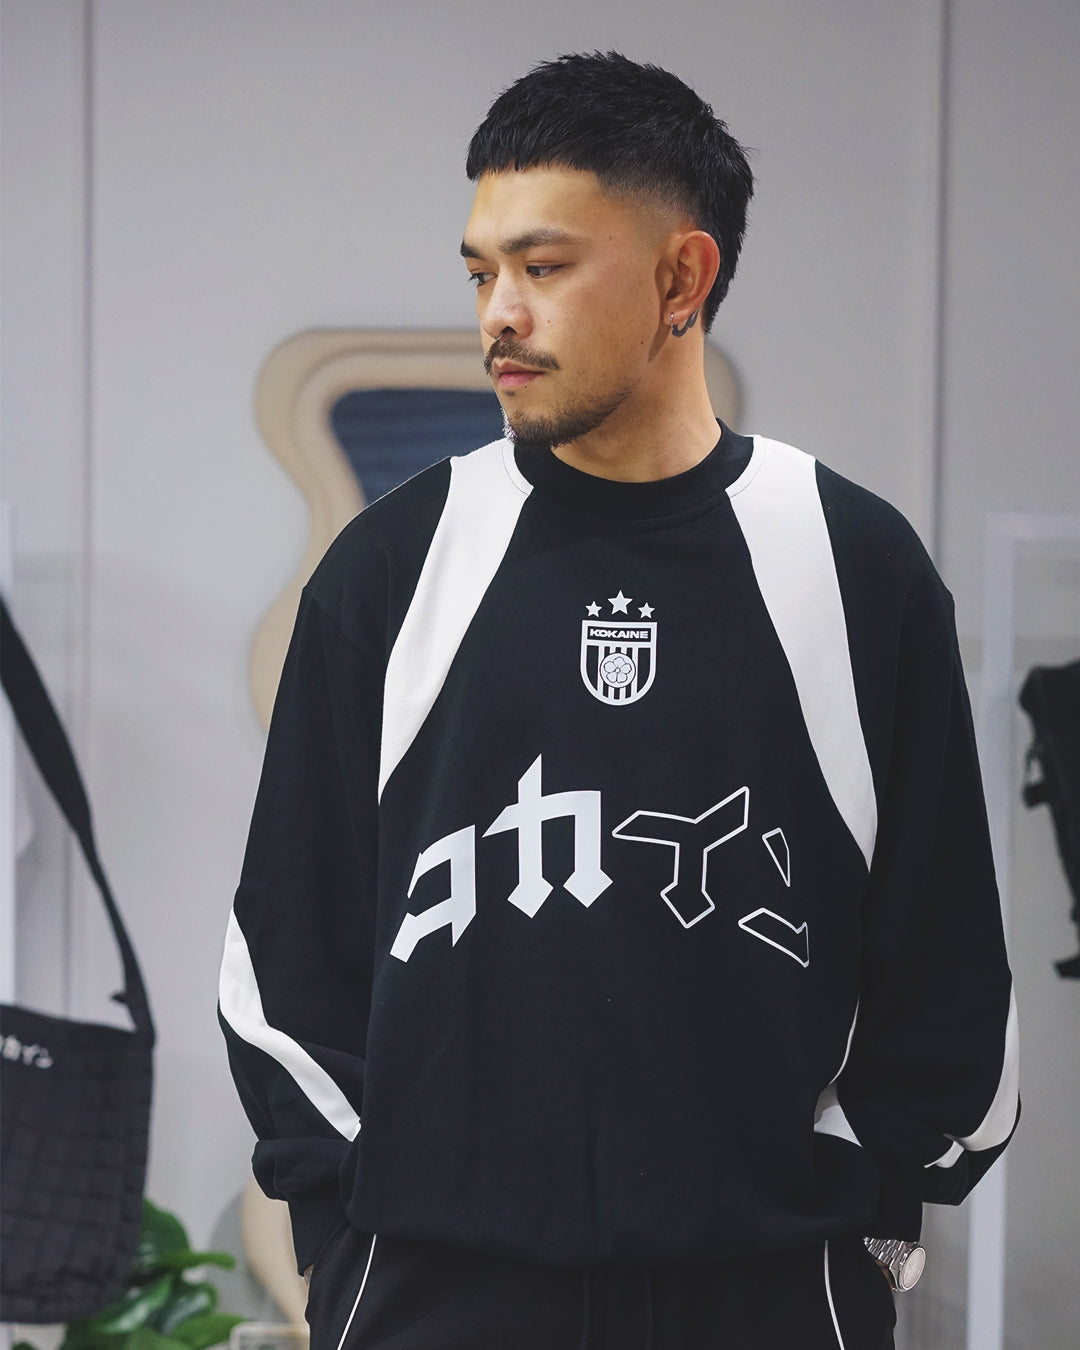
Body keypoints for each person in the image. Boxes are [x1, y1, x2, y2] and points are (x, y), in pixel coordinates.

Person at [219, 51, 1019, 1350]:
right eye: (482, 271)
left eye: (543, 267)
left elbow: (950, 968)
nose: (499, 313)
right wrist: (346, 1240)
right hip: (437, 1289)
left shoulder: (853, 564)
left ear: (681, 279)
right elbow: (284, 954)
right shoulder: (392, 564)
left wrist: (868, 1217)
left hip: (766, 1289)